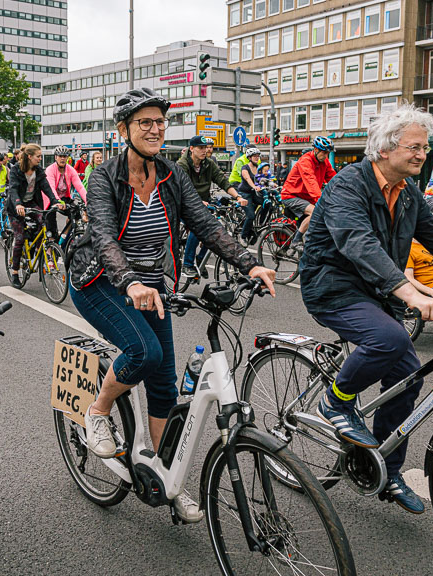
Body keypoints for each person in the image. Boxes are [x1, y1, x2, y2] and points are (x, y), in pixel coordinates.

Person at [65, 87, 277, 523]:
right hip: (100, 279)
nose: (155, 129)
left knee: (164, 384)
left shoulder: (171, 174)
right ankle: (98, 411)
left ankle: (165, 475)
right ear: (123, 129)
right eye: (145, 122)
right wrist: (128, 282)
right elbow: (104, 236)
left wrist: (250, 262)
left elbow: (203, 222)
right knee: (145, 352)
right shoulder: (103, 177)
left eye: (160, 122)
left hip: (150, 283)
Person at [299, 104, 433, 514]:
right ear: (384, 149)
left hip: (379, 291)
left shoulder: (407, 191)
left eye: (425, 147)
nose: (422, 154)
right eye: (414, 147)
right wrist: (413, 294)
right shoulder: (348, 184)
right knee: (390, 338)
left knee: (408, 376)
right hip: (334, 288)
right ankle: (337, 401)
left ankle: (386, 469)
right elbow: (358, 243)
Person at [176, 135, 247, 278]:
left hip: (204, 203)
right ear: (192, 149)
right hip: (183, 203)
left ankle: (200, 258)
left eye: (206, 148)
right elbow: (183, 188)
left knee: (215, 228)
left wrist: (238, 197)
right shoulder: (182, 165)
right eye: (201, 148)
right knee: (199, 226)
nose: (205, 150)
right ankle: (187, 264)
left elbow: (223, 181)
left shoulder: (208, 164)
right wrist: (197, 201)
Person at [7, 143, 62, 284]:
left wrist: (55, 201)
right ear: (29, 156)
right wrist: (18, 203)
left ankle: (41, 256)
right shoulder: (16, 170)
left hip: (32, 204)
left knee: (43, 224)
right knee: (19, 238)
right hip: (16, 207)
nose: (40, 158)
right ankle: (14, 272)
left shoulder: (39, 170)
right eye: (38, 156)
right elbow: (13, 189)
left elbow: (46, 187)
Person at [281, 136, 337, 241]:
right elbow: (311, 182)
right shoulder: (305, 161)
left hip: (306, 198)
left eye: (328, 153)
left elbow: (334, 179)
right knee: (316, 211)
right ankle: (296, 241)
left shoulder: (324, 162)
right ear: (316, 150)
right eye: (324, 153)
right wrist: (320, 200)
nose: (326, 156)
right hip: (291, 196)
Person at [44, 145, 87, 235]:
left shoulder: (70, 170)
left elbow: (80, 187)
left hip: (64, 198)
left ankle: (65, 237)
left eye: (65, 156)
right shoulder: (50, 170)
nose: (62, 159)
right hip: (50, 199)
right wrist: (57, 201)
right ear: (56, 157)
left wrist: (88, 201)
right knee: (51, 227)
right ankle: (51, 246)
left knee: (76, 213)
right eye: (60, 156)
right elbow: (51, 188)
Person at [237, 147, 264, 243]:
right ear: (249, 158)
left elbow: (266, 177)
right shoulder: (245, 168)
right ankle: (243, 237)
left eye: (258, 156)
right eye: (254, 156)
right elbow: (248, 179)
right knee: (251, 215)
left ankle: (260, 223)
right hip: (245, 194)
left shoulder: (259, 167)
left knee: (266, 202)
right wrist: (254, 186)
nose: (257, 158)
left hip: (254, 193)